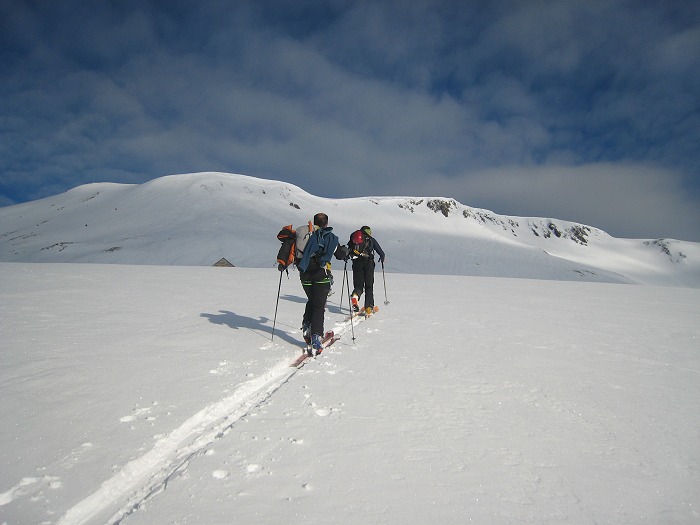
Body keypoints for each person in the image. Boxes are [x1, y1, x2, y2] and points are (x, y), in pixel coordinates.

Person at [296, 213, 346, 355]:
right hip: (320, 273)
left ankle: (307, 325)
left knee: (312, 300)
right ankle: (316, 336)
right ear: (326, 223)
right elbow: (340, 254)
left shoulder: (305, 234)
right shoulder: (328, 236)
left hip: (304, 273)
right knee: (319, 305)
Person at [349, 226, 385, 315]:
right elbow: (381, 252)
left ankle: (355, 296)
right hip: (368, 264)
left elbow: (349, 250)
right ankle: (369, 307)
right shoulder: (371, 240)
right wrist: (382, 257)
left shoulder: (354, 238)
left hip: (356, 264)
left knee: (358, 285)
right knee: (369, 286)